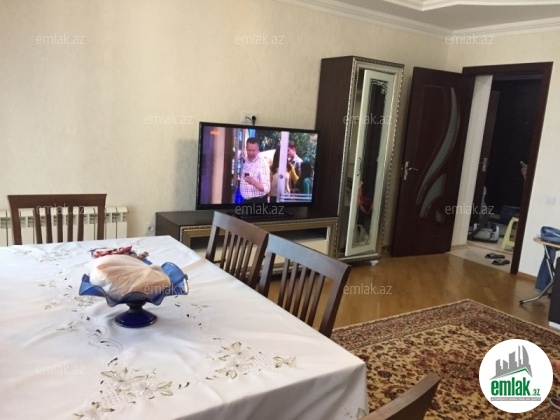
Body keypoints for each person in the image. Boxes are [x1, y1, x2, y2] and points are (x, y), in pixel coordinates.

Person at [239, 137, 270, 203]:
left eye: (253, 150)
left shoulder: (262, 163)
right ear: (246, 149)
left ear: (258, 149)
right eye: (249, 150)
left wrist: (254, 182)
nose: (251, 153)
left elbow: (266, 188)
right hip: (245, 201)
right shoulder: (246, 159)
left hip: (258, 202)